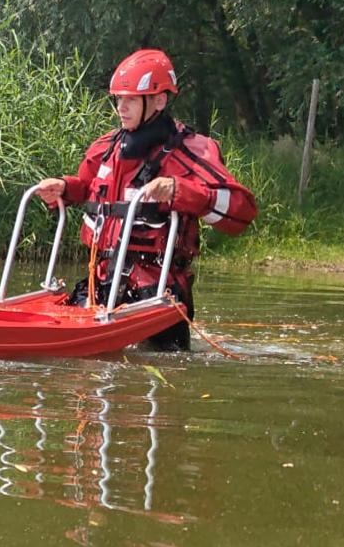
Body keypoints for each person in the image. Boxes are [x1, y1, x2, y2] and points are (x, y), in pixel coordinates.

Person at [34, 48, 258, 350]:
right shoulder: (105, 148)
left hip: (156, 294)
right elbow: (88, 188)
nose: (120, 108)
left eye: (130, 99)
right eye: (118, 99)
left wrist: (181, 191)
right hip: (100, 283)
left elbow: (242, 212)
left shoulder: (192, 151)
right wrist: (64, 188)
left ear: (159, 101)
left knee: (167, 364)